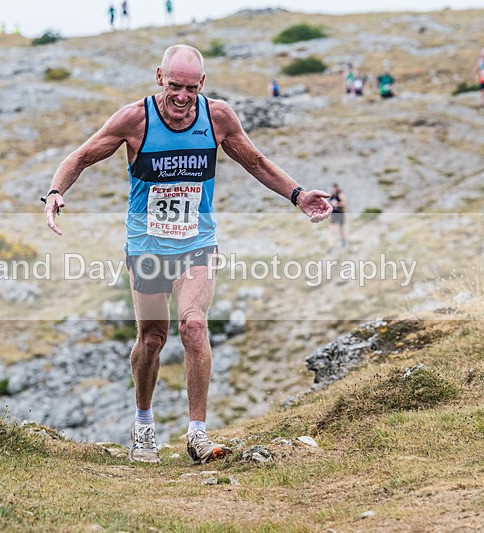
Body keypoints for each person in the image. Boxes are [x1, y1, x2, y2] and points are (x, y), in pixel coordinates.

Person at [42, 45, 332, 464]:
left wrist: (298, 195)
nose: (181, 97)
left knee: (194, 326)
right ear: (159, 77)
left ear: (202, 84)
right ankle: (144, 425)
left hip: (197, 243)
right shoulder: (135, 119)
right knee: (152, 339)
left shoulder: (217, 117)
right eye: (175, 86)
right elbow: (82, 156)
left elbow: (255, 161)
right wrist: (55, 192)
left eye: (191, 89)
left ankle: (197, 433)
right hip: (147, 247)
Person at [327, 183, 346, 252]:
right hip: (333, 214)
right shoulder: (332, 195)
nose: (333, 190)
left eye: (334, 188)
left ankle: (343, 241)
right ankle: (331, 246)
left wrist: (336, 204)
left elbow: (344, 204)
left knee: (341, 230)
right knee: (332, 231)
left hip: (340, 214)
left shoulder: (340, 194)